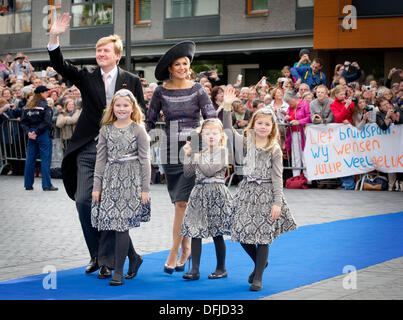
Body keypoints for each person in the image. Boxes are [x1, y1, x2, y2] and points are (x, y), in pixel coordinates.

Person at [47, 13, 145, 278]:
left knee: (109, 206)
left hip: (118, 154)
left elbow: (140, 115)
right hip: (89, 149)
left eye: (106, 50)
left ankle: (107, 260)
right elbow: (60, 65)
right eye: (98, 50)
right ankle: (117, 256)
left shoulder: (131, 80)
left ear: (117, 55)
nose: (100, 54)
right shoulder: (87, 75)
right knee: (83, 202)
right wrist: (54, 36)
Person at [146, 41, 217, 274]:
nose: (182, 67)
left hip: (193, 145)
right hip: (169, 148)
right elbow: (149, 121)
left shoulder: (198, 89)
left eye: (185, 63)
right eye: (177, 64)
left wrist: (200, 141)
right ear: (170, 67)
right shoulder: (160, 91)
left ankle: (174, 250)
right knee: (180, 204)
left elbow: (210, 117)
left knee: (181, 203)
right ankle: (186, 249)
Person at [223, 92, 297, 292]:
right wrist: (227, 107)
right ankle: (260, 263)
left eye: (267, 124)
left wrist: (277, 202)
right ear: (253, 125)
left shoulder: (274, 149)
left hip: (266, 193)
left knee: (263, 235)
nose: (263, 127)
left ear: (272, 127)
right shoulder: (246, 142)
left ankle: (258, 277)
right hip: (246, 193)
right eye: (259, 123)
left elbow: (277, 177)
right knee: (242, 233)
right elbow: (228, 131)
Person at [91, 89, 150, 286]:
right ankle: (134, 258)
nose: (122, 109)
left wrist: (145, 189)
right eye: (118, 105)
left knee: (122, 225)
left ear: (132, 108)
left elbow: (145, 160)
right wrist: (97, 186)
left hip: (131, 181)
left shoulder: (138, 130)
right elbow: (100, 160)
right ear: (112, 108)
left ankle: (118, 271)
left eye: (126, 105)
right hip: (110, 180)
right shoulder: (105, 129)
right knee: (115, 224)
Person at [180, 118, 233, 281]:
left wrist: (195, 154)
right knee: (196, 230)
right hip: (199, 192)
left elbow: (209, 170)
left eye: (214, 133)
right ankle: (194, 269)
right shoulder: (199, 151)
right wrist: (188, 155)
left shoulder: (223, 151)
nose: (211, 136)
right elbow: (188, 173)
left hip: (216, 192)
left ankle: (221, 268)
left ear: (221, 135)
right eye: (207, 133)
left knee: (217, 232)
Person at [20, 86, 58, 191]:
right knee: (45, 159)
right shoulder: (45, 106)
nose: (47, 94)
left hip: (31, 134)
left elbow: (23, 122)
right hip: (42, 134)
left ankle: (28, 184)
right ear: (41, 93)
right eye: (46, 92)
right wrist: (36, 132)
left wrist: (29, 132)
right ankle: (46, 185)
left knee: (30, 159)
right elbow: (47, 122)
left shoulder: (27, 107)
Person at [284, 90, 311, 178]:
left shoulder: (305, 104)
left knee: (305, 155)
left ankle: (307, 178)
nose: (288, 104)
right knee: (296, 156)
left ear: (294, 99)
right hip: (294, 133)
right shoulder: (290, 108)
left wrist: (299, 122)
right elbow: (289, 118)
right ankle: (296, 177)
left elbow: (309, 117)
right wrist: (286, 118)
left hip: (304, 132)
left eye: (288, 102)